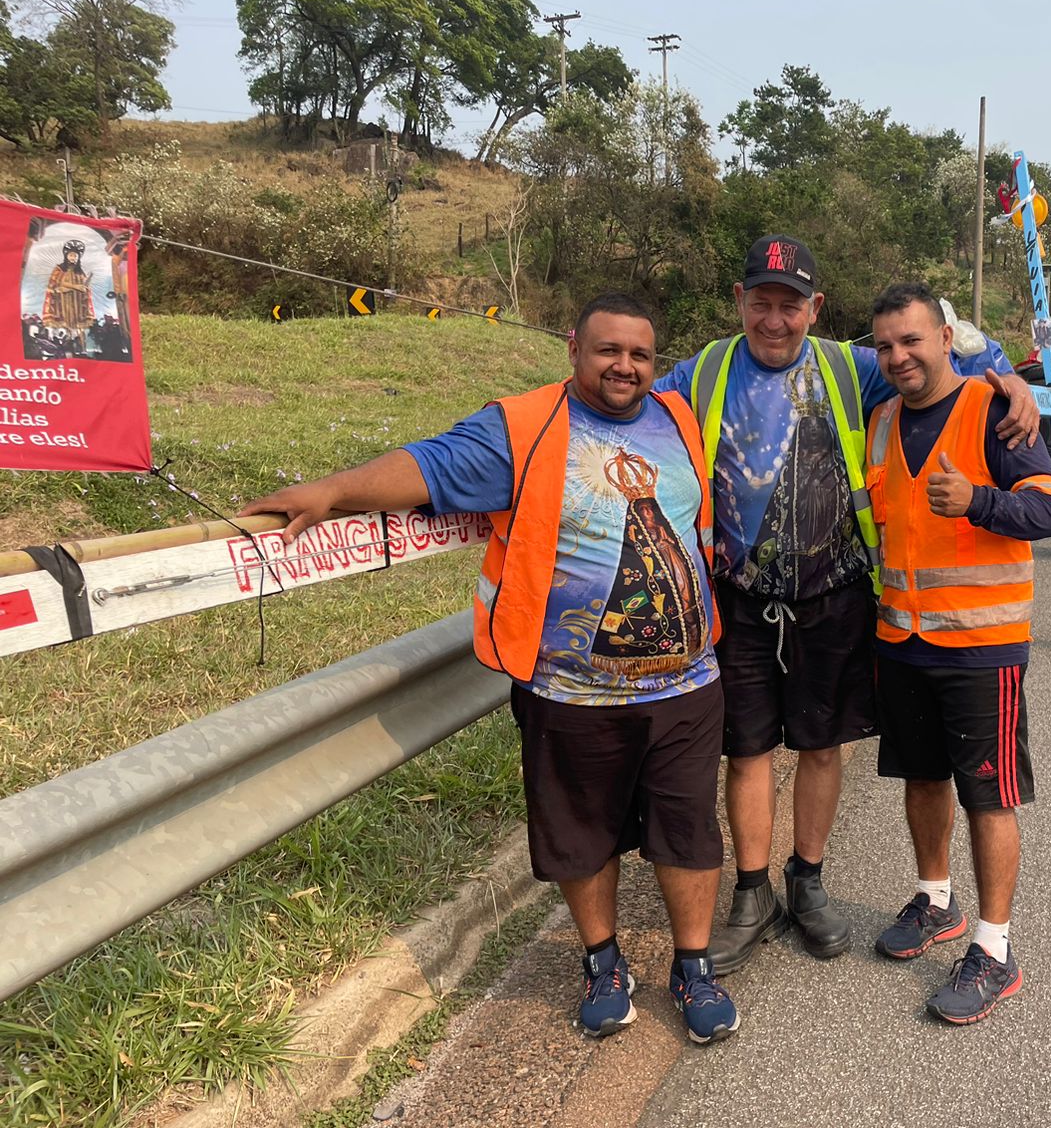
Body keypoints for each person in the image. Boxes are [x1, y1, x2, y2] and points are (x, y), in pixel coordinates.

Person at [241, 293, 741, 1046]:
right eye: (608, 350)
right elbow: (428, 464)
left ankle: (693, 967)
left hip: (686, 684)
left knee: (689, 833)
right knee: (583, 834)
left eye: (639, 354)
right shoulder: (523, 427)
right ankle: (602, 962)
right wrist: (334, 491)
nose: (624, 366)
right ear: (575, 347)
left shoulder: (676, 420)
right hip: (570, 692)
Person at [655, 236, 1041, 974]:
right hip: (736, 598)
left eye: (790, 305)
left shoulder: (850, 366)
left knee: (821, 746)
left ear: (816, 309)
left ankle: (807, 883)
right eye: (760, 303)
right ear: (738, 301)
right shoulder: (700, 371)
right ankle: (751, 893)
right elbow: (627, 399)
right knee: (747, 752)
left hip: (831, 596)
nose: (775, 319)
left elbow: (938, 360)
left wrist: (1004, 380)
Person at [863, 282, 1051, 1025]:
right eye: (885, 345)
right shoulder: (880, 418)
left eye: (912, 340)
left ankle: (994, 949)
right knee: (922, 779)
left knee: (988, 795)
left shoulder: (994, 412)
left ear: (947, 338)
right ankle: (935, 900)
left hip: (982, 648)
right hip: (904, 640)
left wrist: (980, 502)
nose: (898, 356)